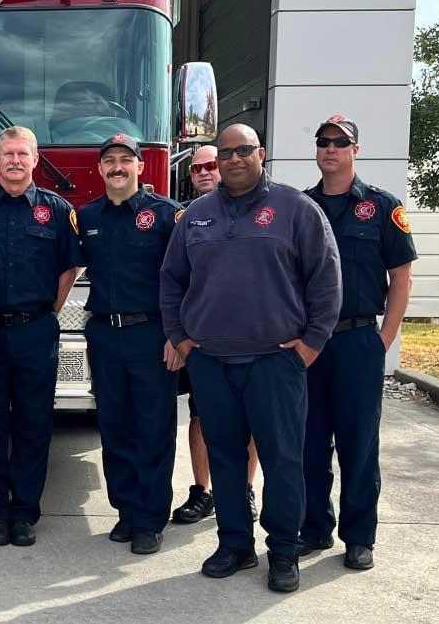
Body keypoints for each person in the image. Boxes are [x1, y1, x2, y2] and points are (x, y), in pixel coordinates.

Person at [160, 124, 342, 593]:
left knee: (283, 460)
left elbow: (325, 279)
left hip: (275, 363)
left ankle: (283, 551)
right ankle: (235, 545)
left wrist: (310, 345)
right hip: (211, 362)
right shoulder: (196, 216)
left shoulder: (296, 209)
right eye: (225, 153)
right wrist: (180, 338)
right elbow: (171, 281)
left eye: (244, 151)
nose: (234, 159)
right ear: (216, 161)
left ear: (260, 153)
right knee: (224, 457)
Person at [0, 126, 81, 548]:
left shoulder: (58, 210)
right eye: (7, 154)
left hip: (36, 330)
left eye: (21, 154)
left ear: (35, 159)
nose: (14, 160)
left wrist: (49, 311)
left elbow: (69, 268)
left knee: (33, 423)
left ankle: (25, 512)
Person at [301, 115, 417, 570]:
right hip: (310, 343)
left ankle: (358, 535)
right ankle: (314, 528)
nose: (330, 149)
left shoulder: (382, 207)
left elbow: (401, 278)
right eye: (323, 142)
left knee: (358, 444)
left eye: (339, 142)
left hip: (356, 342)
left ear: (355, 150)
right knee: (309, 442)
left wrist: (383, 339)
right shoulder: (301, 207)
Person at [79, 133, 183, 555]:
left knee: (153, 428)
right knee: (113, 425)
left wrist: (178, 336)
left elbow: (185, 280)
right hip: (104, 334)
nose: (117, 167)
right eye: (110, 161)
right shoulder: (86, 216)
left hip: (151, 335)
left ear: (141, 166)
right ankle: (125, 510)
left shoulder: (166, 216)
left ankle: (151, 519)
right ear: (100, 169)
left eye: (126, 160)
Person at [172, 145, 259, 525]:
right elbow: (171, 280)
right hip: (203, 342)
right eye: (198, 169)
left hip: (254, 339)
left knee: (252, 418)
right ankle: (203, 491)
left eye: (212, 165)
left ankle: (245, 489)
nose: (206, 172)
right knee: (200, 416)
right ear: (190, 177)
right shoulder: (185, 218)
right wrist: (178, 335)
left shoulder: (258, 210)